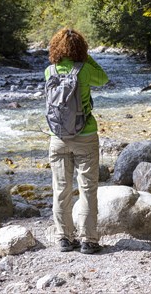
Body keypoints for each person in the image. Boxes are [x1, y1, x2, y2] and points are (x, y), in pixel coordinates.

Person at [45, 27, 109, 254]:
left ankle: (63, 238)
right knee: (88, 189)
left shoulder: (49, 71)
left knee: (61, 189)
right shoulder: (84, 71)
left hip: (58, 137)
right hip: (85, 135)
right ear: (81, 49)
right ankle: (88, 241)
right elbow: (103, 78)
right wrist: (87, 57)